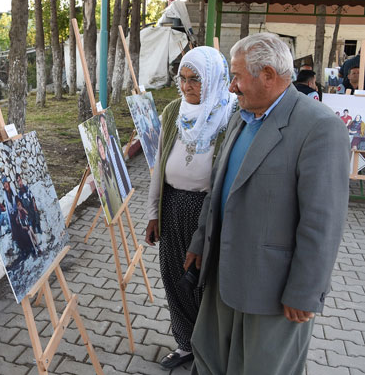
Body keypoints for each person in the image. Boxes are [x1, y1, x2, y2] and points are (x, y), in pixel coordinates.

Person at [185, 33, 349, 375]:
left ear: (269, 75)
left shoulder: (320, 127)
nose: (231, 87)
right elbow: (218, 185)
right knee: (210, 360)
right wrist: (201, 241)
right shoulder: (241, 115)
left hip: (272, 291)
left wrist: (306, 291)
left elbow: (323, 221)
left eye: (237, 77)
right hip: (222, 275)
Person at [145, 45, 237, 369]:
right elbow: (158, 162)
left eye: (195, 79)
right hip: (172, 204)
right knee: (173, 277)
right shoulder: (173, 111)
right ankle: (185, 344)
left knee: (203, 282)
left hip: (208, 210)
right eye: (182, 78)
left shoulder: (231, 114)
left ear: (212, 79)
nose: (186, 86)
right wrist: (153, 213)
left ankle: (209, 349)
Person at [98, 113, 132, 198]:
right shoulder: (103, 150)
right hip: (116, 194)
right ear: (100, 129)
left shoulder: (113, 140)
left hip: (125, 186)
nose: (104, 128)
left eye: (104, 125)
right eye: (102, 126)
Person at [96, 134, 121, 222]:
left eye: (102, 145)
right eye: (99, 147)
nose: (101, 148)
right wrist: (101, 173)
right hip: (112, 206)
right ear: (98, 150)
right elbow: (102, 189)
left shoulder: (109, 162)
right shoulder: (100, 167)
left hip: (118, 202)